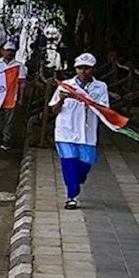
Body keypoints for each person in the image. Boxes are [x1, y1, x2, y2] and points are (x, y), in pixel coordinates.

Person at [49, 53, 108, 209]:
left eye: (87, 68)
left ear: (93, 69)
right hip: (66, 131)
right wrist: (62, 99)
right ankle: (71, 197)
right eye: (80, 68)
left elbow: (104, 109)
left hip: (87, 134)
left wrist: (85, 100)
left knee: (84, 167)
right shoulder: (65, 85)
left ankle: (76, 182)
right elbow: (54, 109)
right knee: (69, 164)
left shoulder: (100, 87)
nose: (83, 71)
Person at [0, 42, 24, 151]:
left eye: (12, 51)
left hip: (11, 96)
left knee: (9, 121)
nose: (9, 53)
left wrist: (21, 98)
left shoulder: (19, 66)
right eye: (7, 50)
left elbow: (22, 83)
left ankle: (6, 140)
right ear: (2, 51)